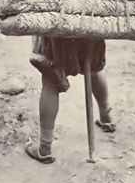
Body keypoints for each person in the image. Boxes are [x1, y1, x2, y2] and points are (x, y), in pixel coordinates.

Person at [26, 35, 115, 164]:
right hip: (89, 24)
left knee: (50, 80)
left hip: (59, 32)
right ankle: (106, 117)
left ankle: (45, 148)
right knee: (94, 67)